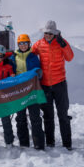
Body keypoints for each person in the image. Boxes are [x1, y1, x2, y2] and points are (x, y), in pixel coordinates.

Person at [32, 20, 74, 150]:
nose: (48, 35)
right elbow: (28, 55)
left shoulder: (61, 43)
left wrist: (64, 44)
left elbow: (70, 57)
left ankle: (67, 144)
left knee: (63, 114)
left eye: (50, 33)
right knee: (48, 115)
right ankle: (50, 142)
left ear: (55, 33)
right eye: (46, 33)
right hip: (44, 85)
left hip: (59, 84)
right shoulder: (39, 44)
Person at [10, 34, 45, 150]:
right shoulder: (13, 57)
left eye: (25, 43)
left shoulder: (34, 57)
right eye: (21, 43)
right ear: (18, 45)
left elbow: (38, 71)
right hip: (19, 91)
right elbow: (9, 69)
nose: (23, 45)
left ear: (29, 44)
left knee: (35, 116)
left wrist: (38, 75)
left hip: (32, 91)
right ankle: (24, 143)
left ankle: (38, 143)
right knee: (20, 117)